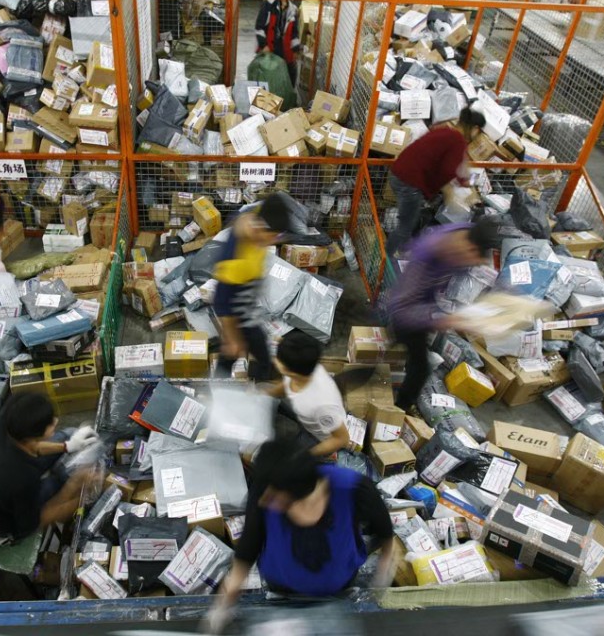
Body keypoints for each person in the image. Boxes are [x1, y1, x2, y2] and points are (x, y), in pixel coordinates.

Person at [207, 440, 395, 631]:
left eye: (275, 498)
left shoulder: (352, 488)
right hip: (281, 592)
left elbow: (385, 531)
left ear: (298, 494)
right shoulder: (266, 489)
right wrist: (224, 603)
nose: (264, 501)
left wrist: (385, 567)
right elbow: (247, 549)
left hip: (340, 589)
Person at [386, 217, 499, 413]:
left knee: (414, 353)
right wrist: (445, 320)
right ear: (467, 248)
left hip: (426, 301)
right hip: (406, 311)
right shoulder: (425, 257)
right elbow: (402, 307)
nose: (472, 263)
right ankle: (400, 410)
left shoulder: (466, 234)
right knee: (421, 367)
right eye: (471, 258)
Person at [0, 392, 101, 539]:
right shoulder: (23, 478)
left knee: (69, 434)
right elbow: (40, 520)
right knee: (64, 477)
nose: (56, 421)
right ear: (32, 435)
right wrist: (79, 492)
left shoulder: (3, 424)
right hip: (7, 522)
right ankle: (63, 478)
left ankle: (64, 467)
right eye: (50, 424)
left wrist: (68, 446)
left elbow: (33, 446)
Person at [386, 107, 487, 256]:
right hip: (409, 182)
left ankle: (402, 253)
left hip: (397, 174)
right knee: (405, 227)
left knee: (410, 221)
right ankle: (385, 261)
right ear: (475, 128)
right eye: (478, 132)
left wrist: (462, 180)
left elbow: (450, 162)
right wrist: (452, 194)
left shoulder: (445, 131)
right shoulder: (457, 140)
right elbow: (448, 170)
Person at [213, 193, 293, 382]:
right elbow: (222, 302)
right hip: (238, 310)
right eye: (274, 235)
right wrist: (231, 336)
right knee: (236, 351)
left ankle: (241, 386)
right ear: (261, 228)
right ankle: (222, 395)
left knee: (253, 351)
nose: (274, 241)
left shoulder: (255, 218)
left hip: (249, 304)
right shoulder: (236, 259)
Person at [263, 330, 351, 457]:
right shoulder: (303, 366)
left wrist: (306, 456)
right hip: (304, 414)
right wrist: (266, 393)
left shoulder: (322, 405)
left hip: (317, 436)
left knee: (287, 459)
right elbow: (287, 383)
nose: (274, 359)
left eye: (277, 359)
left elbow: (342, 439)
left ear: (287, 370)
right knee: (262, 390)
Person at [255, 0, 302, 86]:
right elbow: (259, 27)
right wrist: (263, 45)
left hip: (285, 49)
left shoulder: (293, 9)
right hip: (270, 47)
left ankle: (288, 100)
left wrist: (295, 49)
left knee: (290, 77)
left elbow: (294, 32)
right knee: (268, 79)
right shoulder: (269, 5)